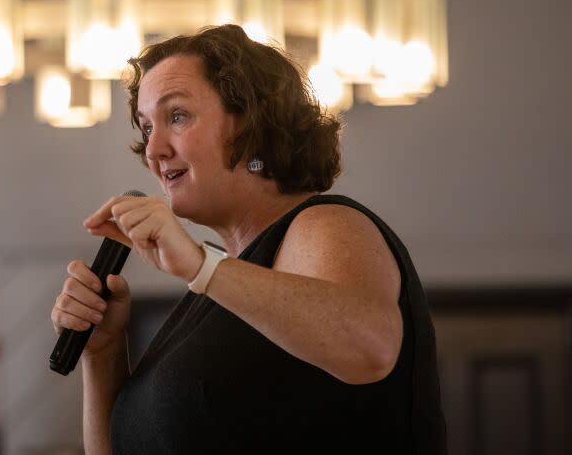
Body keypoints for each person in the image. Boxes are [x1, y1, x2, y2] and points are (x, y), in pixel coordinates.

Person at [50, 24, 448, 454]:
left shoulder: (326, 224)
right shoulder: (216, 291)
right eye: (147, 128)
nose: (153, 149)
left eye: (177, 116)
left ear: (251, 125)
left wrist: (199, 264)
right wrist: (103, 351)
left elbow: (371, 348)